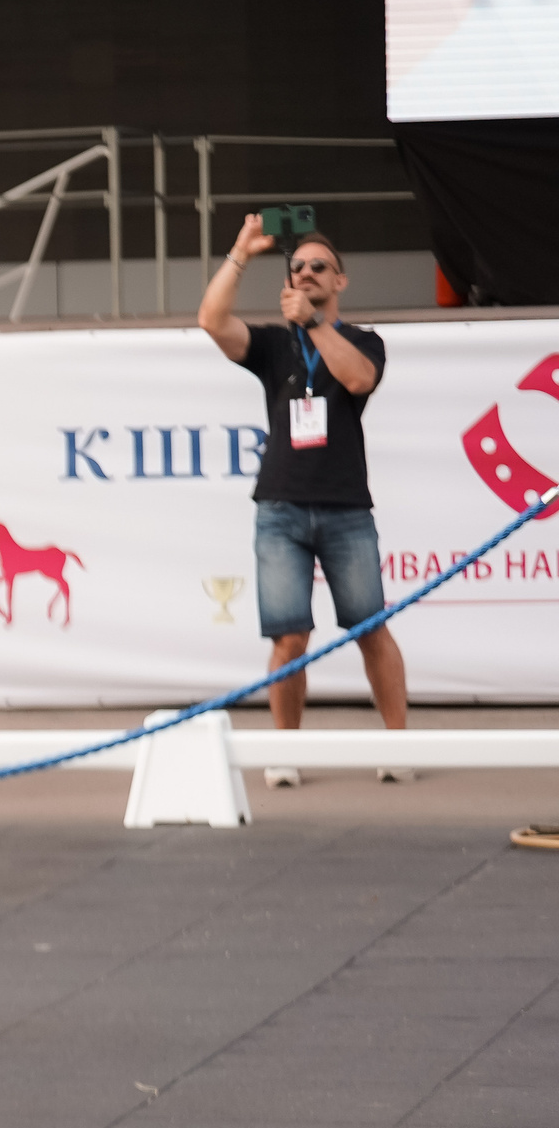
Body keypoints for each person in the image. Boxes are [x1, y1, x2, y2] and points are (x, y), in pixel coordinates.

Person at [198, 217, 408, 787]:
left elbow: (358, 379)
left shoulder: (363, 341)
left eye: (319, 267)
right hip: (281, 509)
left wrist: (314, 322)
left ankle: (399, 745)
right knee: (289, 635)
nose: (307, 272)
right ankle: (286, 751)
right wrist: (240, 253)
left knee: (372, 627)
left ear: (340, 281)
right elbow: (211, 320)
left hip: (345, 508)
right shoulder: (271, 345)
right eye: (298, 267)